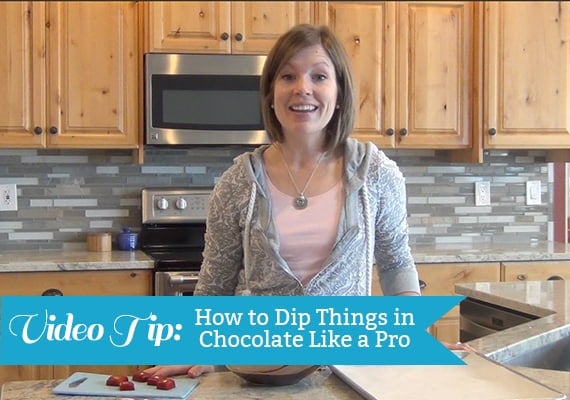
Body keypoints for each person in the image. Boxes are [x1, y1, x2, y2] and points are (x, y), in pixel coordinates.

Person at [145, 23, 424, 378]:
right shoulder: (237, 183)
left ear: (339, 94)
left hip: (350, 372)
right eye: (288, 76)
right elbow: (215, 286)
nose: (302, 88)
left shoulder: (376, 174)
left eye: (319, 76)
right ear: (270, 94)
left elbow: (396, 264)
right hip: (259, 372)